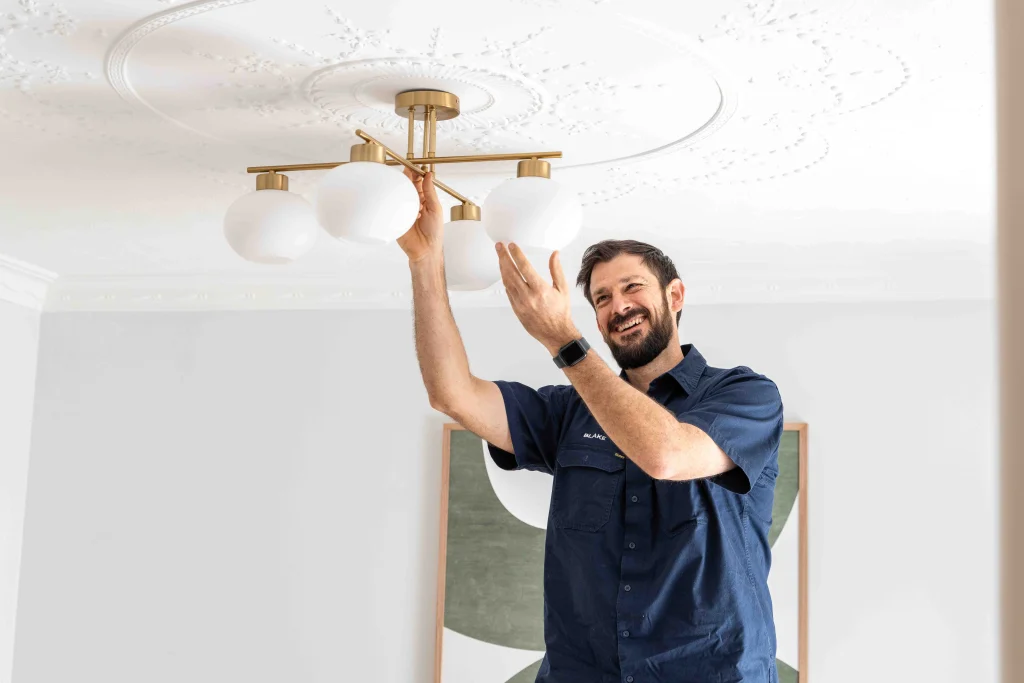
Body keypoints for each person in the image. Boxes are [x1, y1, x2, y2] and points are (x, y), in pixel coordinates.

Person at [400, 169, 785, 683]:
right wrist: (425, 262)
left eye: (632, 288)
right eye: (601, 299)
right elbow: (452, 394)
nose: (618, 306)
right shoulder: (567, 412)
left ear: (675, 296)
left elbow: (666, 455)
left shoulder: (744, 395)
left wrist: (564, 341)